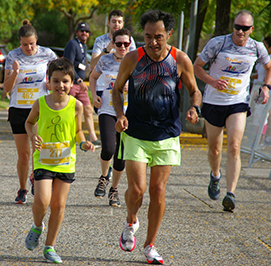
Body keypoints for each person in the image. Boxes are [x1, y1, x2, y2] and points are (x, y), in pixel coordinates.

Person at [112, 10, 202, 264]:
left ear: (169, 35)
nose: (152, 42)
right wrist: (120, 114)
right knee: (138, 189)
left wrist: (195, 108)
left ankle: (150, 244)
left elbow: (195, 91)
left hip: (167, 133)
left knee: (158, 191)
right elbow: (117, 90)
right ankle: (131, 221)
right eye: (148, 36)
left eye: (159, 37)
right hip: (136, 132)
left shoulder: (180, 59)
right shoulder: (132, 58)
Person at [193, 10, 271, 212]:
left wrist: (266, 86)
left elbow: (269, 67)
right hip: (213, 101)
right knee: (215, 150)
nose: (240, 31)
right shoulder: (218, 43)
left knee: (234, 146)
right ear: (233, 27)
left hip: (237, 102)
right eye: (237, 27)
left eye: (245, 28)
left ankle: (231, 194)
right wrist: (212, 81)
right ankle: (215, 175)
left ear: (251, 29)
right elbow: (197, 67)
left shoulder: (257, 47)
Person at [24, 58, 95, 263]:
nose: (60, 85)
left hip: (66, 162)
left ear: (72, 83)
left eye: (65, 81)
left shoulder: (77, 106)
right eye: (55, 81)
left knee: (58, 206)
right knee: (42, 200)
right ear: (48, 82)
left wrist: (83, 144)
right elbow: (29, 123)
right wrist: (32, 136)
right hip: (44, 160)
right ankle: (37, 225)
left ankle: (49, 247)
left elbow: (78, 132)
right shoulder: (40, 103)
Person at [2, 19, 57, 204]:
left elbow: (60, 74)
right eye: (24, 44)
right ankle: (22, 188)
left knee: (38, 150)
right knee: (24, 154)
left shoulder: (47, 54)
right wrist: (15, 72)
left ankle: (37, 180)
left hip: (40, 108)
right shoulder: (12, 56)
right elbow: (6, 89)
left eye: (32, 44)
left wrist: (51, 84)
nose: (28, 48)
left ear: (37, 40)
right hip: (18, 109)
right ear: (19, 42)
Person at [89, 28, 131, 207]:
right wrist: (94, 95)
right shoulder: (105, 60)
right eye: (119, 43)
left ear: (130, 44)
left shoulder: (135, 61)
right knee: (108, 148)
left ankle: (114, 189)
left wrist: (133, 88)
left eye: (126, 43)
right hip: (107, 109)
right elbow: (92, 76)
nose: (122, 47)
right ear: (113, 44)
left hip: (128, 114)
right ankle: (104, 177)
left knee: (121, 157)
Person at [63, 22, 101, 147]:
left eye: (86, 32)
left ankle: (93, 138)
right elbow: (68, 64)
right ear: (76, 33)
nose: (84, 33)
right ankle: (67, 135)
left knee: (88, 109)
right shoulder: (72, 44)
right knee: (69, 110)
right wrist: (78, 80)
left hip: (80, 85)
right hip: (72, 83)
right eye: (81, 31)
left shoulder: (83, 46)